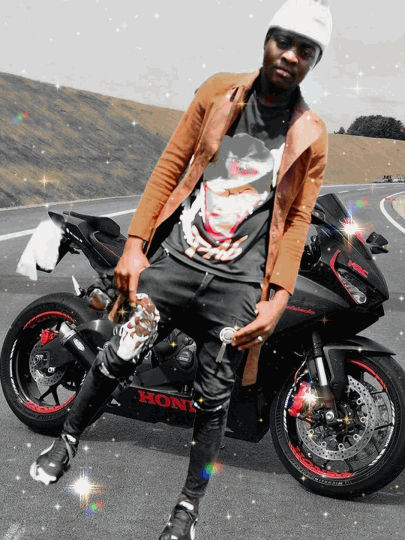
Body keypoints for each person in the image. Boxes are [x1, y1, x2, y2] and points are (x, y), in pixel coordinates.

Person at [30, 1, 332, 538]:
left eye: (304, 50)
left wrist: (278, 298)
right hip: (177, 262)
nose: (290, 55)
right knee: (121, 351)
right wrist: (135, 246)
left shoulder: (311, 132)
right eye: (283, 41)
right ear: (267, 40)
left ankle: (187, 511)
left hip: (239, 285)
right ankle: (68, 439)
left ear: (314, 61)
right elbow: (170, 165)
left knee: (215, 402)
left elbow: (298, 218)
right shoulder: (219, 93)